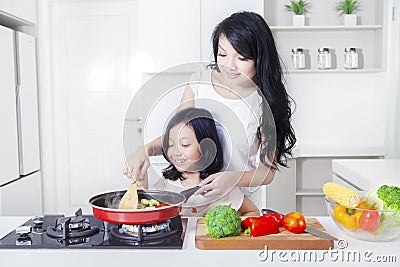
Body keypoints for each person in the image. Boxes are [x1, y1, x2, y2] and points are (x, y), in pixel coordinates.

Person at [125, 11, 296, 207]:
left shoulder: (266, 103)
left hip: (236, 203)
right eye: (222, 54)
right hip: (191, 196)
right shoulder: (200, 83)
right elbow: (177, 137)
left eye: (241, 58)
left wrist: (232, 178)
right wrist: (144, 150)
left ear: (260, 58)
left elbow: (267, 173)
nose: (229, 65)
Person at [155, 107, 259, 216]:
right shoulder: (166, 181)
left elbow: (252, 212)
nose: (176, 152)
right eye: (171, 145)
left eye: (185, 144)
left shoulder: (219, 186)